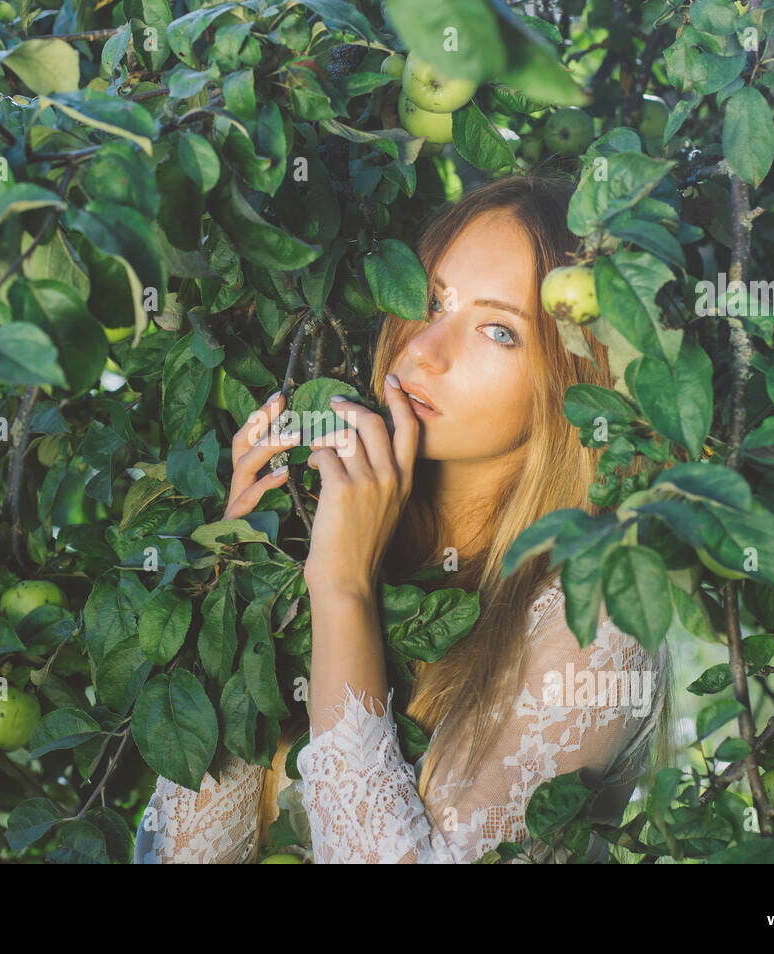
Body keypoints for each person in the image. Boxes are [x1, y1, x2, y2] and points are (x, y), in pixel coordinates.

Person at [134, 174, 673, 864]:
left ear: (576, 382)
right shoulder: (336, 523)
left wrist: (341, 588)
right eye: (431, 300)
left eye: (499, 330)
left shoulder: (596, 616)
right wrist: (245, 575)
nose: (424, 349)